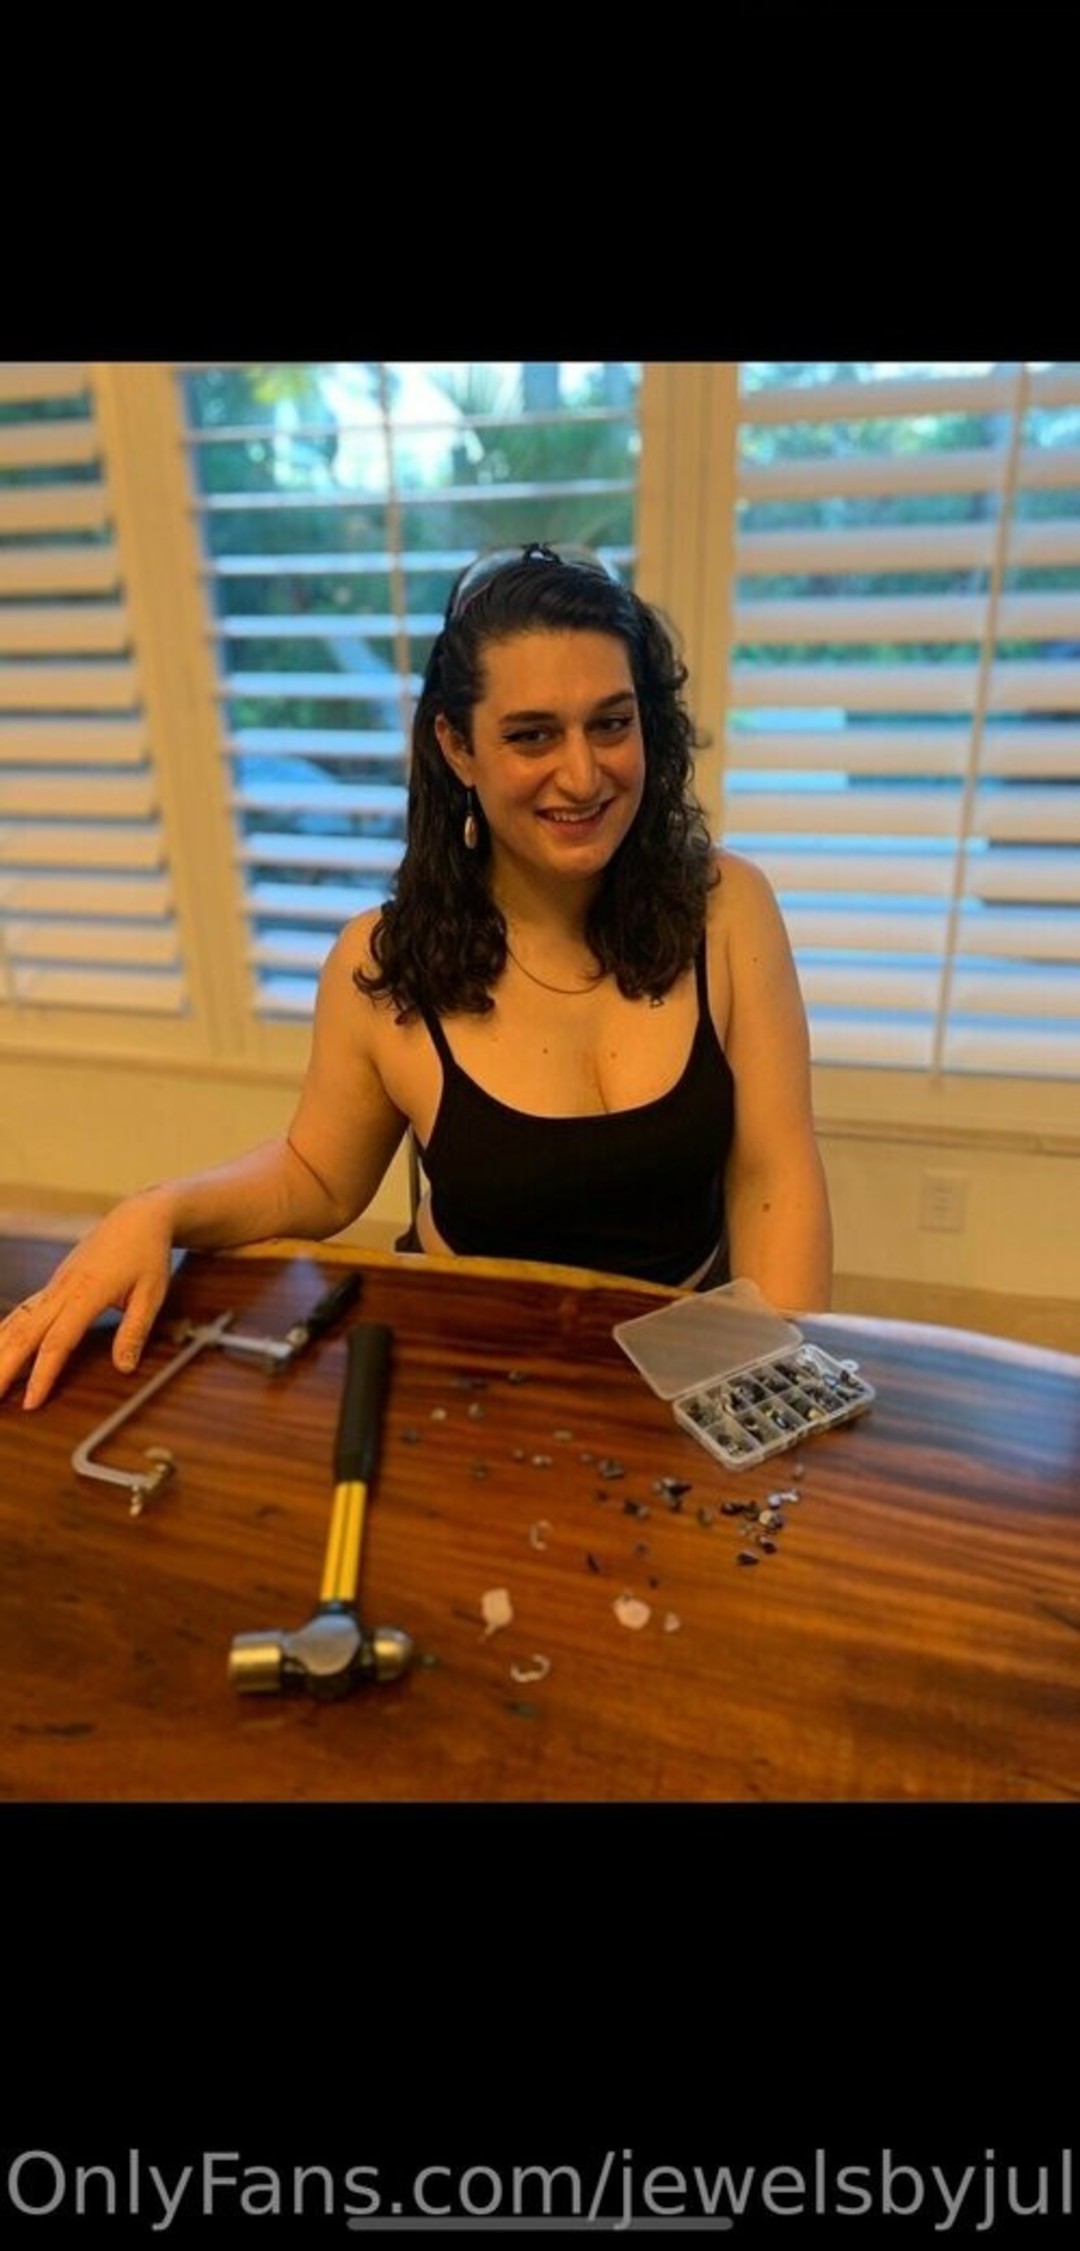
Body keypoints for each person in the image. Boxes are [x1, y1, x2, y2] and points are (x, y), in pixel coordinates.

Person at [0, 541, 832, 1413]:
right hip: (471, 1370)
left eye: (611, 723)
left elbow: (774, 1176)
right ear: (457, 747)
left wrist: (773, 1393)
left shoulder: (729, 909)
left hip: (691, 1364)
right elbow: (317, 1175)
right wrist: (158, 1209)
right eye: (532, 734)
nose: (584, 773)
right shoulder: (383, 961)